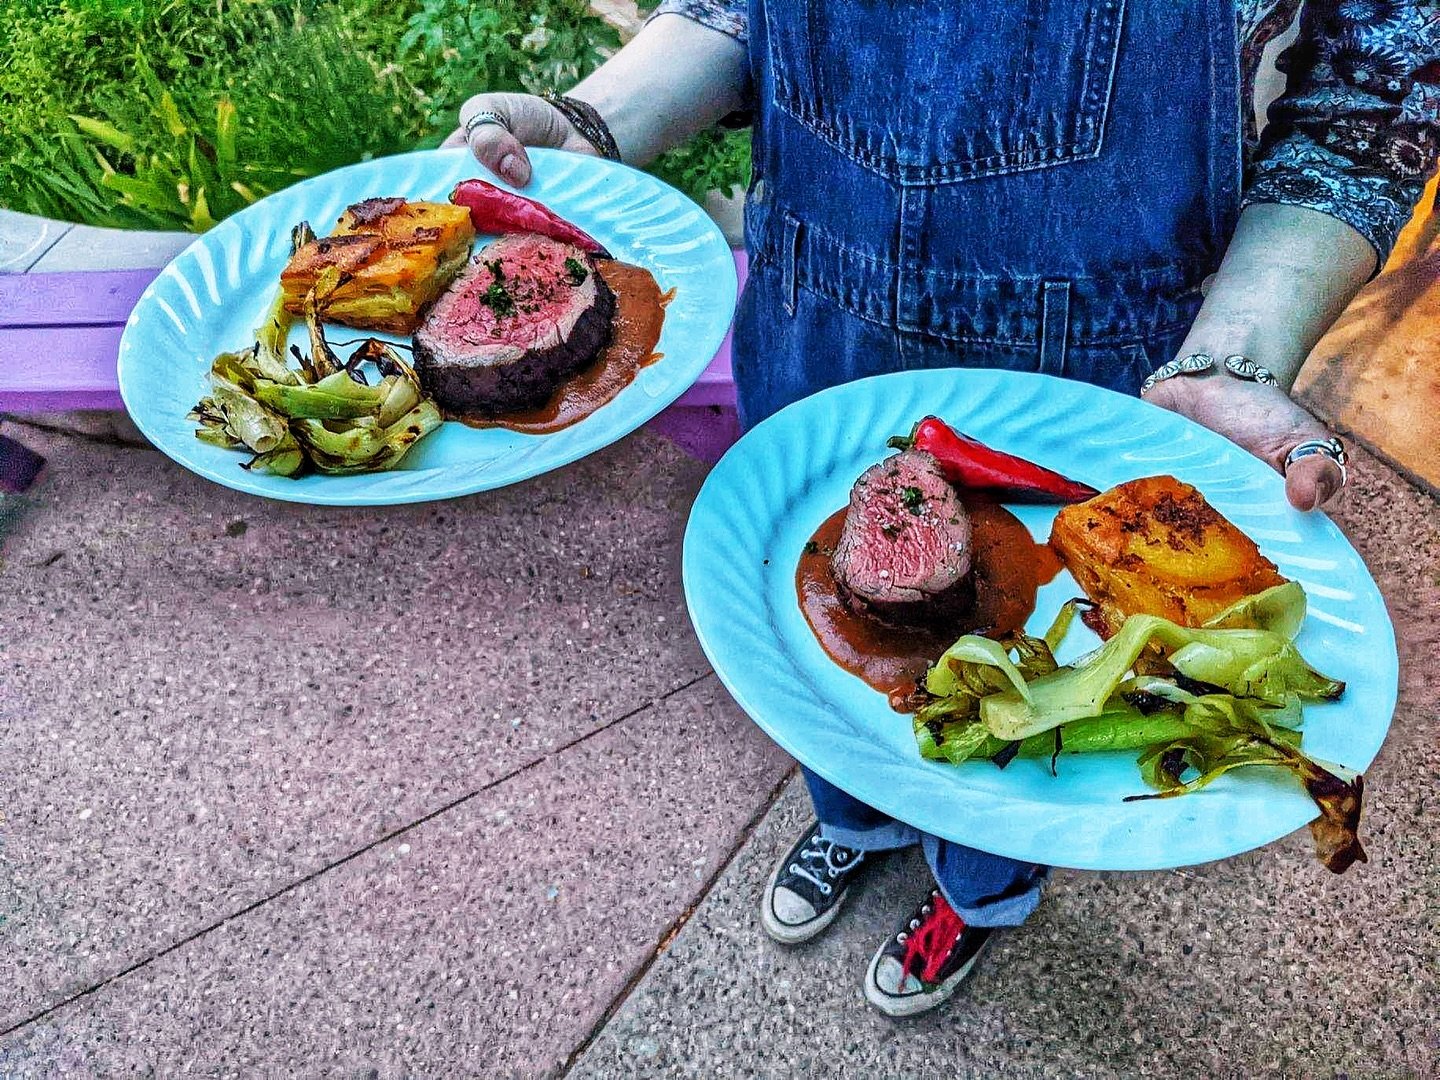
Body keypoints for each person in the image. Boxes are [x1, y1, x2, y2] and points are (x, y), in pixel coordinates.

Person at [445, 0, 1439, 1017]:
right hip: (811, 317)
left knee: (1026, 726)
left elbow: (1379, 75)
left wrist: (1239, 350)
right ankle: (856, 823)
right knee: (821, 665)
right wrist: (602, 123)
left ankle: (977, 894)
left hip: (1092, 374)